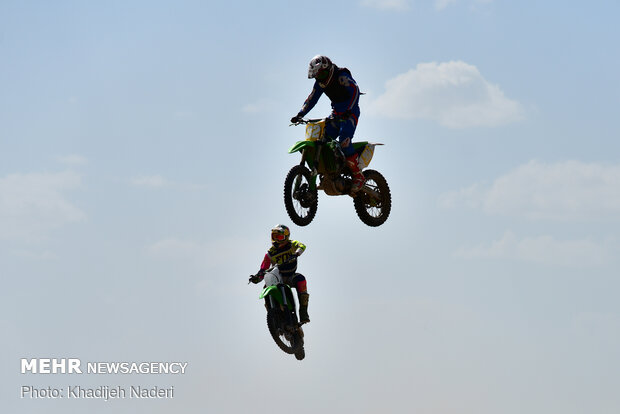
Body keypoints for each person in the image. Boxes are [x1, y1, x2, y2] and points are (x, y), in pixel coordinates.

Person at [290, 55, 365, 194]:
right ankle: (332, 170)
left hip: (351, 112)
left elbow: (355, 91)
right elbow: (312, 99)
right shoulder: (320, 83)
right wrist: (300, 114)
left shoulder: (340, 76)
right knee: (323, 140)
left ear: (328, 68)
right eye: (317, 76)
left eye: (322, 73)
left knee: (344, 141)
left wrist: (349, 110)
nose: (321, 78)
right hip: (336, 114)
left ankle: (358, 175)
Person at [250, 224, 310, 324]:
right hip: (278, 278)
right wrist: (256, 278)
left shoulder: (292, 244)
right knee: (265, 288)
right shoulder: (270, 253)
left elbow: (302, 246)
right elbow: (263, 268)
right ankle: (273, 315)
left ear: (286, 237)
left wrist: (296, 254)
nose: (277, 240)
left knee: (301, 279)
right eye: (274, 237)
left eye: (280, 237)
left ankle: (303, 312)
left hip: (291, 276)